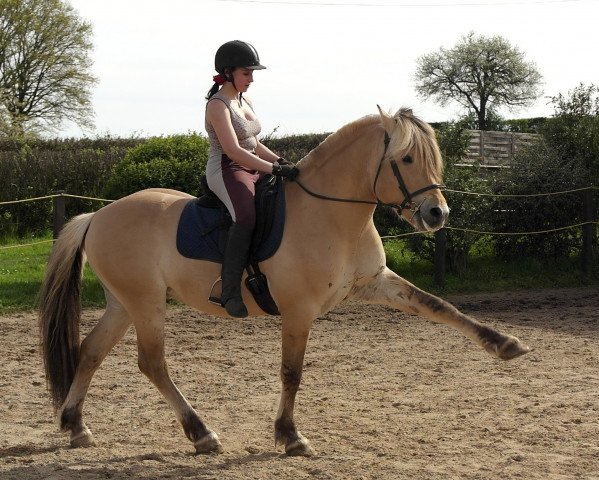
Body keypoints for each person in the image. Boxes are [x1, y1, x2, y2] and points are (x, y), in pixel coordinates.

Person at [205, 40, 298, 318]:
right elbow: (233, 150)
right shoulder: (217, 105)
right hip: (227, 169)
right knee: (245, 216)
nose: (252, 79)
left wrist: (280, 162)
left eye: (252, 73)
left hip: (252, 165)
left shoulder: (245, 100)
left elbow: (254, 144)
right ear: (229, 71)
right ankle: (229, 291)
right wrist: (273, 170)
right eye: (247, 73)